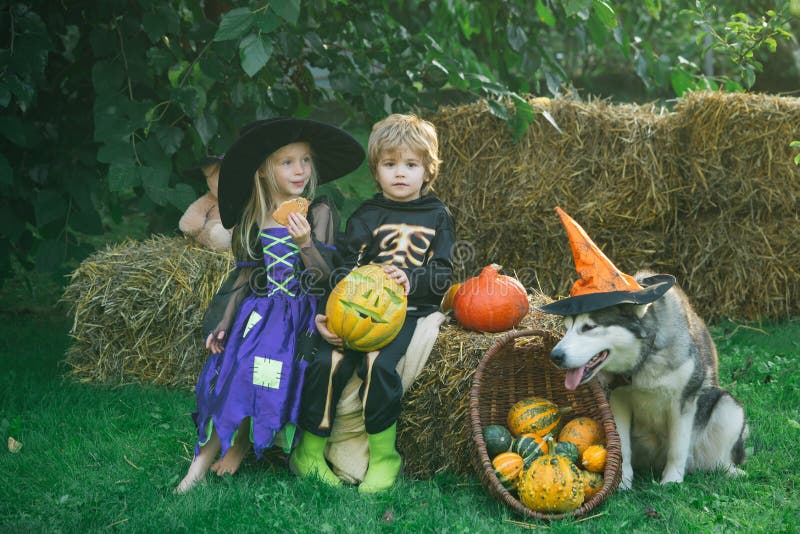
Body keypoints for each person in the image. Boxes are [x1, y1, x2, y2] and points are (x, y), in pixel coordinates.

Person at [176, 118, 364, 494]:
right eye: (287, 162)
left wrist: (306, 243)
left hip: (302, 316)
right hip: (261, 313)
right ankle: (202, 461)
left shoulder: (318, 212)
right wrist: (225, 322)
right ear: (264, 170)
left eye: (306, 160)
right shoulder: (253, 216)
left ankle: (245, 441)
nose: (300, 170)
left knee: (265, 368)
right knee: (236, 365)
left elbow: (326, 279)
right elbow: (245, 278)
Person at [291, 114, 456, 493]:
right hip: (353, 309)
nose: (400, 173)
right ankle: (309, 453)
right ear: (376, 171)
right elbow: (345, 269)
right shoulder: (367, 214)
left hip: (404, 314)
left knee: (380, 366)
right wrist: (327, 316)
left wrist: (411, 279)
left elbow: (444, 273)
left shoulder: (437, 216)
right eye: (390, 164)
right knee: (323, 361)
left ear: (427, 171)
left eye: (410, 165)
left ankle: (384, 459)